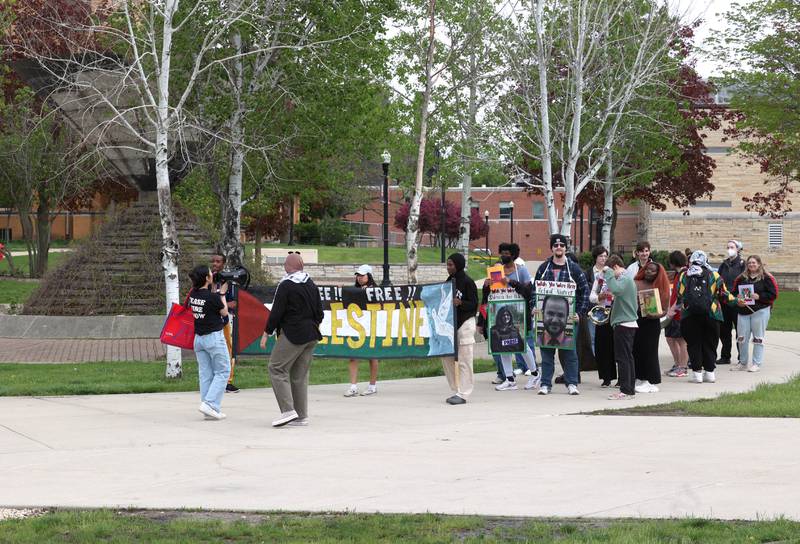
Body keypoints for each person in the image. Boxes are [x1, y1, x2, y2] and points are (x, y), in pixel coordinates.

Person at [260, 253, 324, 427]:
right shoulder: (311, 284)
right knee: (299, 376)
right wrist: (312, 325)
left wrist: (266, 332)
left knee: (276, 367)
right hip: (312, 334)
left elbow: (277, 311)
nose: (284, 268)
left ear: (288, 267)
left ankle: (288, 411)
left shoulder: (286, 285)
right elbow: (320, 312)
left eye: (285, 265)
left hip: (294, 333)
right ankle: (301, 416)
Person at [532, 233, 590, 395]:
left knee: (570, 353)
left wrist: (580, 312)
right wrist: (533, 307)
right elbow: (534, 291)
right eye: (556, 245)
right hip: (545, 319)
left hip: (570, 319)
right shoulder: (544, 268)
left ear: (565, 248)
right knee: (546, 353)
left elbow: (585, 291)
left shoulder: (574, 269)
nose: (559, 248)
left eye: (562, 245)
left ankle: (571, 383)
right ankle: (545, 384)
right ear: (551, 247)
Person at [675, 250, 736, 384]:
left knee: (693, 343)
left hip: (689, 315)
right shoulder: (714, 275)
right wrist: (737, 301)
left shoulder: (684, 275)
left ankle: (697, 374)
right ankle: (710, 373)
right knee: (710, 343)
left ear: (691, 261)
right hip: (712, 314)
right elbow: (724, 294)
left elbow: (680, 293)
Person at [188, 264, 230, 420]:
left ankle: (208, 408)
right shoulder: (213, 297)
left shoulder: (193, 294)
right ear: (206, 278)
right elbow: (224, 312)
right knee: (223, 371)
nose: (212, 274)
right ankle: (210, 404)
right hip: (214, 338)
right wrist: (223, 294)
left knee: (205, 374)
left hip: (199, 339)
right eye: (210, 273)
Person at [441, 253, 479, 405]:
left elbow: (474, 304)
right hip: (451, 325)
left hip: (465, 324)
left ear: (458, 265)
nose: (448, 268)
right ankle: (456, 388)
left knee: (464, 360)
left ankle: (464, 393)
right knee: (445, 356)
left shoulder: (468, 282)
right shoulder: (449, 281)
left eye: (451, 265)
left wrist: (460, 303)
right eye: (447, 265)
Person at [731, 255, 778, 372]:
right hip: (743, 311)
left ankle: (756, 363)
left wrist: (760, 296)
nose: (751, 265)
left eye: (754, 263)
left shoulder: (766, 278)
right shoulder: (741, 278)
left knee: (758, 338)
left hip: (760, 311)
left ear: (759, 264)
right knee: (741, 338)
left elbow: (773, 294)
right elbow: (733, 293)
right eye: (749, 263)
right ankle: (743, 363)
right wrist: (738, 299)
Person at [602, 255, 639, 400]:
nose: (610, 275)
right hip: (627, 323)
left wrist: (608, 274)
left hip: (624, 324)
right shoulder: (627, 279)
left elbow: (615, 289)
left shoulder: (624, 278)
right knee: (628, 358)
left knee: (623, 358)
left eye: (612, 271)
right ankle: (629, 389)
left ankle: (625, 390)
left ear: (616, 267)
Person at [632, 261, 670, 393]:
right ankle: (638, 377)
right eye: (647, 269)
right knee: (636, 350)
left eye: (652, 271)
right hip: (637, 320)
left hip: (651, 323)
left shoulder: (661, 287)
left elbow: (665, 309)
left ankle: (650, 380)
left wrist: (655, 315)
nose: (649, 272)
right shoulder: (636, 283)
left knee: (650, 351)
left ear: (658, 273)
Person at [344, 265, 380, 397]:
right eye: (358, 275)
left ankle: (372, 385)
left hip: (372, 327)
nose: (359, 278)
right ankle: (353, 386)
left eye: (362, 275)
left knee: (372, 356)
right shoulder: (353, 290)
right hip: (356, 328)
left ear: (369, 276)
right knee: (353, 356)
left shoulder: (376, 291)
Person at [210, 253, 240, 393]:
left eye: (218, 261)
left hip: (225, 319)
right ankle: (213, 379)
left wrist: (218, 303)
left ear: (223, 264)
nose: (215, 264)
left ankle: (228, 381)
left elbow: (233, 303)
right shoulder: (208, 278)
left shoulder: (229, 281)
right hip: (210, 319)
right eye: (213, 261)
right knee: (211, 349)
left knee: (227, 349)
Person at [587, 246, 615, 387]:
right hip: (602, 314)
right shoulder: (599, 278)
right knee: (602, 346)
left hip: (617, 314)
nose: (603, 259)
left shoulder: (618, 276)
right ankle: (606, 377)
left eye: (606, 256)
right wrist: (600, 296)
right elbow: (591, 296)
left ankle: (622, 377)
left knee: (617, 347)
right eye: (601, 256)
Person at [717, 240, 746, 365]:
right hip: (724, 302)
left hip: (737, 302)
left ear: (738, 249)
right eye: (728, 247)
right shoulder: (724, 264)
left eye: (732, 247)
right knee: (724, 331)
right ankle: (725, 356)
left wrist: (744, 298)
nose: (729, 249)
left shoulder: (742, 264)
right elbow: (718, 280)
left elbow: (747, 281)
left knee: (740, 331)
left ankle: (742, 357)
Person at [664, 250, 690, 378]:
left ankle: (683, 367)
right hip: (674, 313)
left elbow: (682, 296)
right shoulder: (678, 274)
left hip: (679, 314)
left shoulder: (684, 275)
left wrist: (671, 310)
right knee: (670, 338)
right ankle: (677, 364)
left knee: (681, 341)